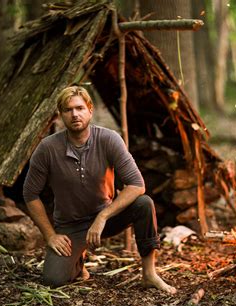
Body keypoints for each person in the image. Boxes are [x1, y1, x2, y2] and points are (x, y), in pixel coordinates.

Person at [23, 86, 176, 294]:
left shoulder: (108, 139)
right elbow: (30, 194)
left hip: (107, 218)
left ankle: (149, 274)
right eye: (68, 110)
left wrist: (103, 216)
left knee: (144, 204)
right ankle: (78, 263)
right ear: (60, 115)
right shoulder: (47, 148)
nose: (75, 114)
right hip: (71, 225)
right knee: (53, 280)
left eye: (79, 108)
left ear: (90, 110)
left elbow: (137, 184)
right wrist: (50, 236)